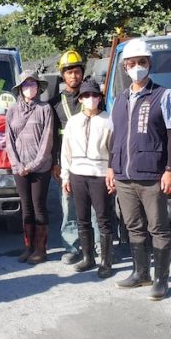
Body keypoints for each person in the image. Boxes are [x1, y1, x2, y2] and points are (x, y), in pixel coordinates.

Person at [106, 38, 171, 300]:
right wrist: (110, 168)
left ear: (149, 64)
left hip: (152, 175)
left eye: (142, 62)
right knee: (133, 227)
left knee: (158, 228)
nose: (136, 67)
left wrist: (170, 169)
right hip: (124, 176)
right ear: (125, 68)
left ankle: (161, 279)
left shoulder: (164, 95)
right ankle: (141, 273)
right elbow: (115, 138)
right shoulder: (119, 99)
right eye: (132, 63)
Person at [50, 49, 101, 265]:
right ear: (63, 75)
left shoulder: (92, 99)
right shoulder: (54, 104)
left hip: (93, 164)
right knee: (69, 207)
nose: (74, 76)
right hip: (68, 165)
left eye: (77, 71)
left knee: (95, 208)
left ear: (82, 73)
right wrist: (54, 162)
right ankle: (72, 247)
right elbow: (51, 135)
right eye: (69, 72)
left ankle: (99, 247)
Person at [61, 79, 114, 278]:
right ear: (80, 99)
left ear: (100, 98)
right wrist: (66, 176)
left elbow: (115, 151)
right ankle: (88, 257)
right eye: (86, 96)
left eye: (94, 95)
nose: (90, 99)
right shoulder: (73, 122)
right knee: (82, 219)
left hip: (100, 175)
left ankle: (106, 262)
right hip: (77, 174)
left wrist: (113, 173)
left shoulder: (108, 120)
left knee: (103, 219)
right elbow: (65, 152)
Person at [6, 69, 54, 265]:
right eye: (25, 85)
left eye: (32, 84)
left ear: (38, 87)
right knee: (26, 209)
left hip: (40, 167)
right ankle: (29, 247)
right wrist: (18, 165)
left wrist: (33, 164)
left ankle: (41, 249)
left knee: (39, 207)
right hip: (19, 168)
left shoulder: (45, 109)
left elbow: (47, 141)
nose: (29, 88)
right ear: (20, 89)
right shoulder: (12, 111)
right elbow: (8, 140)